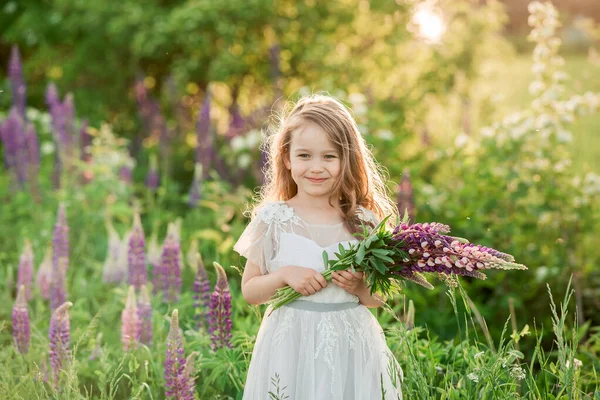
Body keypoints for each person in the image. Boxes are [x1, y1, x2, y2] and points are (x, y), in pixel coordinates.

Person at [233, 93, 403, 399]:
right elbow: (250, 291)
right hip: (289, 348)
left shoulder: (363, 221)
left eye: (329, 156)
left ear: (346, 160)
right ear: (286, 157)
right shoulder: (273, 219)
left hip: (349, 345)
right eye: (304, 156)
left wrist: (360, 287)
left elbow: (380, 298)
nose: (316, 167)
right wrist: (284, 274)